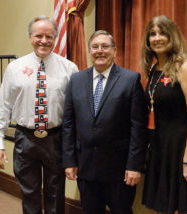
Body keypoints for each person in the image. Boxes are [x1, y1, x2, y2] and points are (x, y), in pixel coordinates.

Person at [0, 15, 78, 214]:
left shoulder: (69, 69)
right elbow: (4, 105)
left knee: (55, 193)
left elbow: (74, 112)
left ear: (55, 37)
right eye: (39, 35)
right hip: (25, 139)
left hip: (56, 139)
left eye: (49, 36)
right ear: (30, 37)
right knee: (29, 192)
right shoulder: (15, 68)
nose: (44, 41)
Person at [62, 30, 148, 214]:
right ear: (89, 51)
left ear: (114, 51)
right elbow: (69, 123)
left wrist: (134, 166)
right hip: (86, 167)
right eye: (95, 47)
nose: (100, 51)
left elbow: (138, 128)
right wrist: (69, 161)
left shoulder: (130, 80)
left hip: (119, 170)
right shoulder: (76, 80)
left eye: (105, 46)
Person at [141, 15, 187, 214]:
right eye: (152, 34)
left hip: (179, 148)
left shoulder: (184, 67)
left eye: (162, 33)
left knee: (176, 206)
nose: (157, 38)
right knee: (162, 205)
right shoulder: (154, 68)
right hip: (159, 145)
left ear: (172, 37)